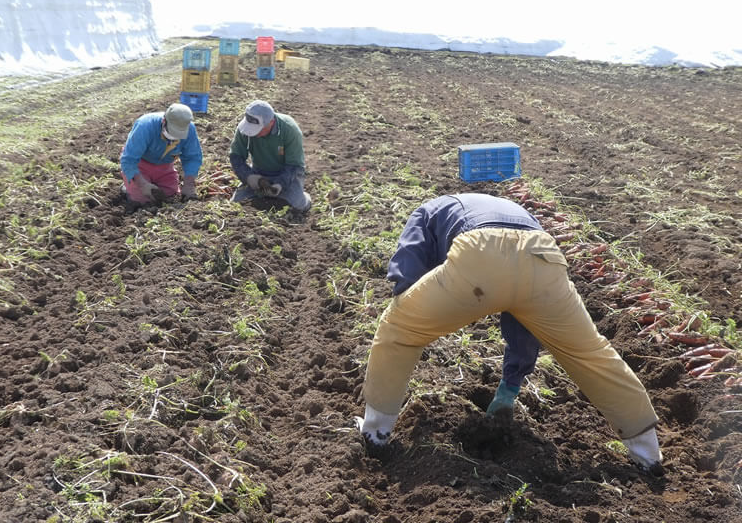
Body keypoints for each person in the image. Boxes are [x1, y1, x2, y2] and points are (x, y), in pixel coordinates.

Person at [355, 193, 664, 474]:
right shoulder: (502, 208)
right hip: (543, 255)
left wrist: (414, 310)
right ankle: (648, 454)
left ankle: (376, 434)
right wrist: (509, 388)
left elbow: (407, 271)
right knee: (590, 353)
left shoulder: (427, 210)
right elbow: (524, 322)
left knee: (398, 328)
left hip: (479, 250)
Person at [229, 100, 311, 212]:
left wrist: (280, 184)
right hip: (259, 173)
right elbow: (236, 156)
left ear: (271, 123)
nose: (254, 134)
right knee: (236, 204)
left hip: (287, 174)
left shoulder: (289, 129)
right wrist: (249, 177)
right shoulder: (244, 129)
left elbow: (294, 165)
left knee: (296, 207)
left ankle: (304, 198)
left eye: (258, 130)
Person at [120, 103, 203, 204]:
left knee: (170, 195)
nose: (175, 137)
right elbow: (129, 159)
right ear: (164, 121)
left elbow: (192, 157)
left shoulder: (190, 129)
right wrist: (142, 184)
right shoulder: (145, 125)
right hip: (140, 164)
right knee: (143, 200)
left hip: (164, 166)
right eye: (172, 132)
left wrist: (189, 185)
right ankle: (128, 185)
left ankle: (145, 183)